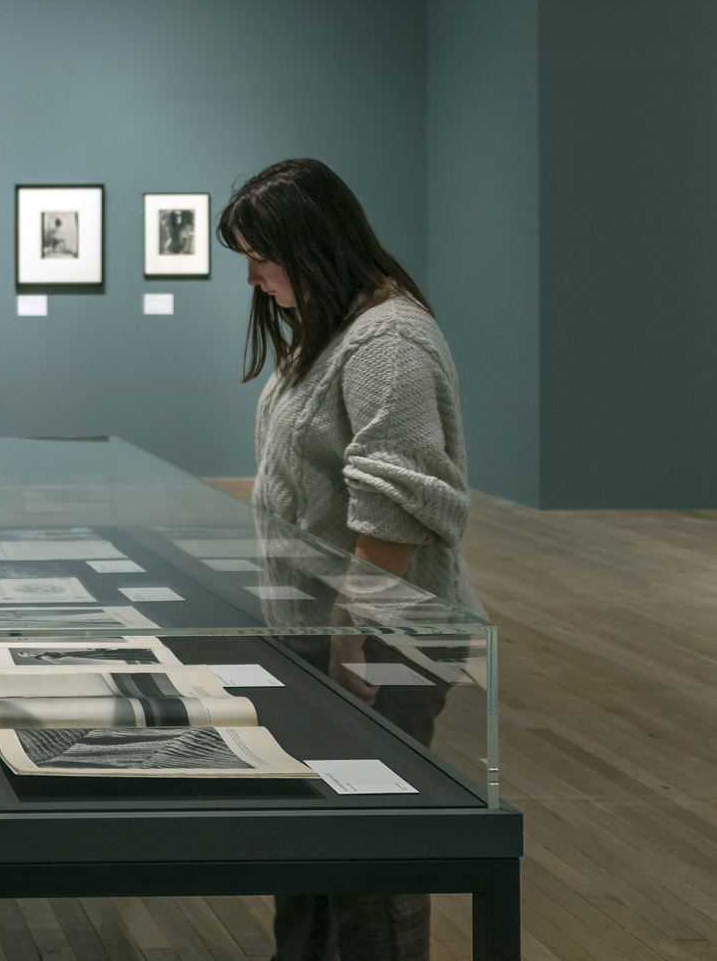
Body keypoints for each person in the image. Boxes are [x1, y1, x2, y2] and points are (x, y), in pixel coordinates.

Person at [218, 158, 480, 961]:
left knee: (372, 852)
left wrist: (350, 633)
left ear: (314, 244)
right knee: (310, 840)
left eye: (262, 257)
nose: (253, 278)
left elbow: (393, 506)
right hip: (323, 635)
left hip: (377, 641)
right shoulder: (331, 331)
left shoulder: (388, 339)